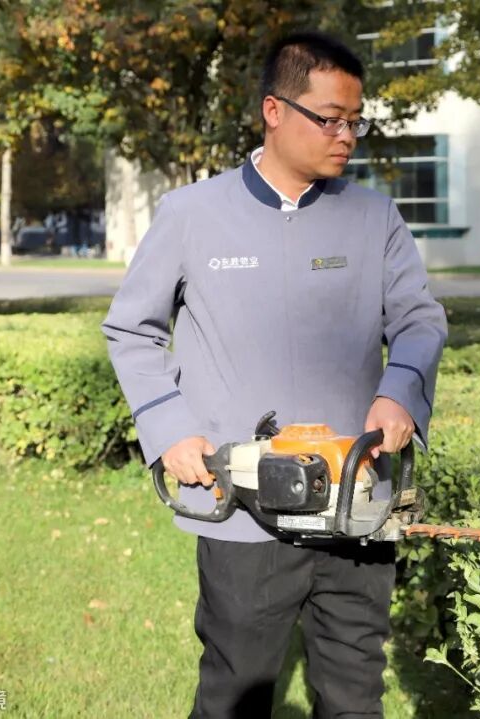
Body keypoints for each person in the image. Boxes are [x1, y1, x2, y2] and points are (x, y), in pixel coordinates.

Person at [101, 31, 447, 719]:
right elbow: (132, 329)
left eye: (355, 121)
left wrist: (400, 392)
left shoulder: (374, 216)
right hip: (243, 510)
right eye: (331, 118)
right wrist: (170, 430)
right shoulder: (191, 215)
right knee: (235, 693)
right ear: (274, 110)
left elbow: (419, 319)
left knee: (355, 695)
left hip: (356, 500)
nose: (346, 136)